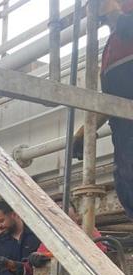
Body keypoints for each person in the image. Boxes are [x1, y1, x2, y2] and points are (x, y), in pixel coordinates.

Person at [73, 0, 133, 219]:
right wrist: (85, 130)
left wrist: (113, 12)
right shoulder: (113, 46)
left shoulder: (126, 28)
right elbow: (112, 100)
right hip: (125, 141)